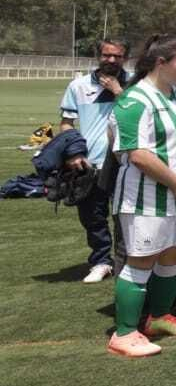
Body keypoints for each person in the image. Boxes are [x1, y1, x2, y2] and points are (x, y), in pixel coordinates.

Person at [104, 35, 176, 358]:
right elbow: (138, 154)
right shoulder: (134, 100)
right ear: (161, 62)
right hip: (146, 197)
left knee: (173, 256)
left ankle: (159, 317)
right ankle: (124, 333)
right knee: (141, 260)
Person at [59, 37, 130, 282]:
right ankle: (101, 261)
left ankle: (127, 260)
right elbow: (66, 123)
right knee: (93, 216)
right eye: (107, 55)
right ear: (98, 56)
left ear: (125, 58)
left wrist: (118, 91)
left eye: (117, 56)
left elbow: (139, 112)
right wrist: (74, 152)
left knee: (125, 215)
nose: (112, 60)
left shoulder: (135, 83)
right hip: (91, 163)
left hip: (127, 162)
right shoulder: (78, 86)